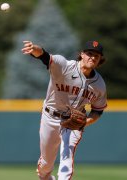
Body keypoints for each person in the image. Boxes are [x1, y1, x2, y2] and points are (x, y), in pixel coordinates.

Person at [21, 40, 107, 180]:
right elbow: (44, 56)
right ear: (81, 54)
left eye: (96, 56)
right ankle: (46, 176)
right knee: (45, 165)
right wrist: (34, 48)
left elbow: (98, 110)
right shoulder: (64, 65)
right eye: (89, 53)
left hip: (73, 123)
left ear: (99, 60)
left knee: (67, 156)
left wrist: (84, 122)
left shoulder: (99, 84)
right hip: (50, 117)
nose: (92, 57)